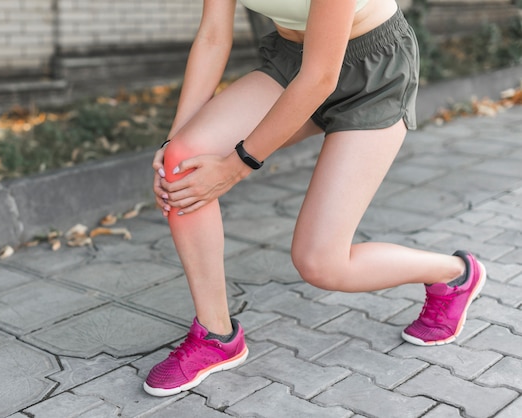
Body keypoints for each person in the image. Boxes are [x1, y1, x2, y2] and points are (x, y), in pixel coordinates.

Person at [143, 0, 486, 397]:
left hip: (373, 75)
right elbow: (213, 35)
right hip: (294, 63)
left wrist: (234, 167)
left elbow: (321, 76)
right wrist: (174, 139)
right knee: (180, 162)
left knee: (320, 264)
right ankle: (216, 336)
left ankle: (454, 274)